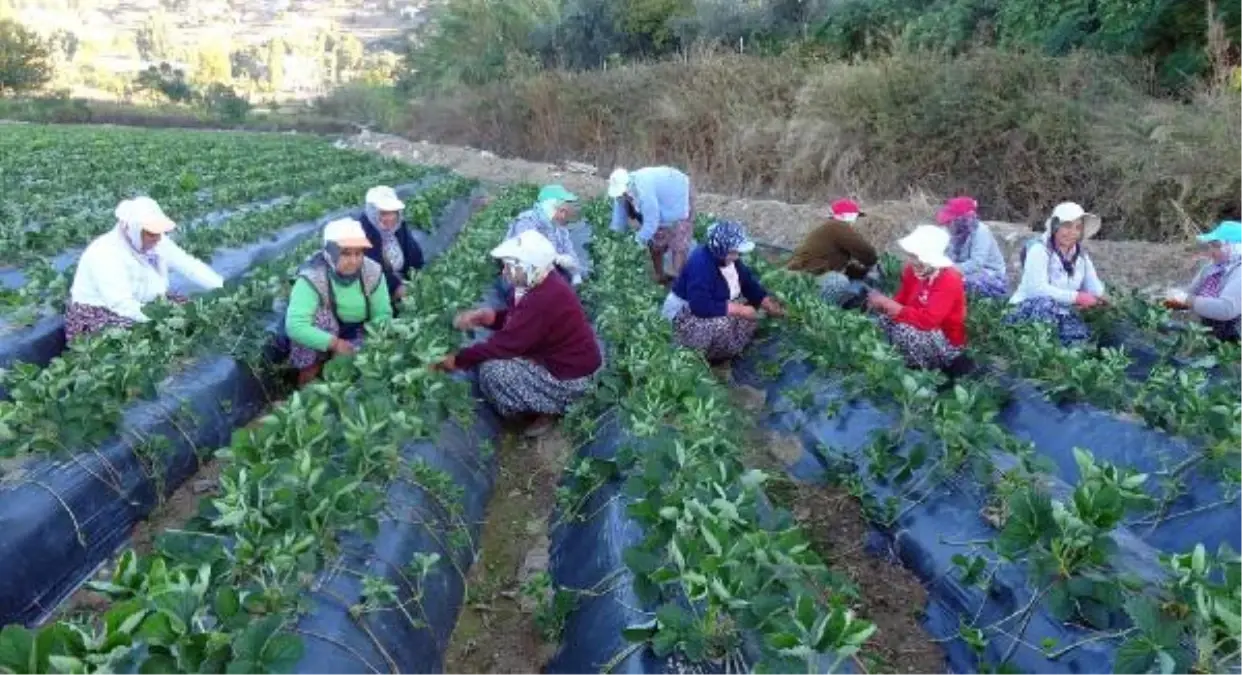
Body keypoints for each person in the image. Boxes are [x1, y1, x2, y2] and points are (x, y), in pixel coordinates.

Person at [437, 230, 602, 438]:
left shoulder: (542, 297)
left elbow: (505, 346)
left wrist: (457, 361)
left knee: (493, 372)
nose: (505, 271)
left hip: (574, 380)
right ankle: (546, 403)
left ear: (527, 267)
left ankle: (549, 409)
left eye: (510, 266)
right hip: (569, 366)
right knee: (503, 362)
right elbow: (523, 323)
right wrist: (489, 317)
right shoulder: (545, 282)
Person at [66, 197, 223, 342]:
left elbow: (189, 265)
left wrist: (221, 288)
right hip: (101, 311)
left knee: (193, 315)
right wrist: (163, 317)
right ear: (132, 229)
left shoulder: (156, 241)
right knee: (140, 336)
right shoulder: (105, 253)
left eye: (159, 232)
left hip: (144, 302)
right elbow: (121, 303)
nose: (158, 238)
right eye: (151, 233)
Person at [286, 218, 393, 385]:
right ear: (330, 252)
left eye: (358, 253)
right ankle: (308, 376)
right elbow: (295, 326)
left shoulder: (372, 272)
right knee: (317, 318)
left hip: (359, 331)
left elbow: (383, 314)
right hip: (323, 334)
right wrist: (335, 344)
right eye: (346, 253)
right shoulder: (312, 276)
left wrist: (367, 344)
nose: (354, 260)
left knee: (357, 374)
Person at [662, 220, 785, 362]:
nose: (737, 256)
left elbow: (748, 284)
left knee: (748, 312)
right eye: (734, 252)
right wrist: (739, 310)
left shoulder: (727, 258)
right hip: (683, 313)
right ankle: (696, 355)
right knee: (723, 324)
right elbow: (700, 306)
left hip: (708, 304)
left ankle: (728, 348)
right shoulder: (700, 264)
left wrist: (767, 304)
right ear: (721, 248)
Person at [865, 225, 967, 371]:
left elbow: (928, 321)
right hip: (918, 323)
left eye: (914, 256)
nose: (911, 260)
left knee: (905, 331)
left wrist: (890, 305)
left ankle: (923, 371)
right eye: (911, 255)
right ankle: (898, 361)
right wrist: (883, 305)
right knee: (884, 320)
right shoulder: (913, 271)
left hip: (946, 339)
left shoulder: (949, 279)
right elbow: (901, 299)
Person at [1006, 202, 1106, 346]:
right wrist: (1077, 297)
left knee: (1083, 340)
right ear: (1055, 226)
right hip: (1028, 310)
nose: (1072, 232)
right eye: (1067, 226)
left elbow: (1094, 287)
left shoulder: (1081, 256)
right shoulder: (1039, 250)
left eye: (1077, 228)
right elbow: (1037, 289)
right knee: (1045, 305)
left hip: (1061, 312)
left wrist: (1105, 300)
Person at [608, 166, 695, 284]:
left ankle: (679, 284)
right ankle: (660, 277)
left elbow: (651, 222)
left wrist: (635, 242)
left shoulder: (644, 188)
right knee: (655, 242)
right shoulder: (621, 193)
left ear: (628, 185)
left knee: (678, 242)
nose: (622, 196)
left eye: (623, 193)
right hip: (660, 200)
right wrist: (616, 243)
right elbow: (618, 220)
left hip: (678, 192)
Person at [785, 198, 879, 305]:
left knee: (844, 279)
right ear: (847, 215)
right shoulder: (838, 226)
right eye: (855, 216)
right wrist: (873, 264)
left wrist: (860, 272)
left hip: (804, 274)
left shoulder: (830, 228)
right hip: (803, 276)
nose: (856, 220)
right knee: (839, 282)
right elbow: (865, 251)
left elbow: (838, 263)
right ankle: (818, 309)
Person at [1164, 220, 1242, 342]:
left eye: (1216, 246)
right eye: (1210, 245)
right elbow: (1191, 292)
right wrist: (1166, 302)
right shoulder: (1212, 267)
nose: (1211, 251)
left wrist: (1186, 299)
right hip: (1214, 334)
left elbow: (1226, 309)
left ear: (1236, 247)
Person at [502, 184, 586, 286]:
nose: (564, 215)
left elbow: (569, 252)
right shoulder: (527, 222)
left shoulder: (559, 228)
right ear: (550, 207)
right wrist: (556, 257)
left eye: (564, 211)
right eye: (561, 211)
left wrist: (575, 270)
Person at [358, 185, 424, 311]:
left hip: (402, 283)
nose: (389, 218)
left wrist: (415, 278)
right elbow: (371, 271)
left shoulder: (399, 227)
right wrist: (396, 286)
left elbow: (414, 255)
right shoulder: (363, 234)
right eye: (383, 213)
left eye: (392, 212)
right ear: (372, 212)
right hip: (375, 293)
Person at [936, 196, 1008, 298]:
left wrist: (948, 270)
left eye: (950, 221)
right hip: (963, 271)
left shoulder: (981, 231)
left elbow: (976, 263)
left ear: (962, 220)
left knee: (954, 283)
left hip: (991, 274)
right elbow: (947, 256)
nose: (947, 224)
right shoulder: (953, 232)